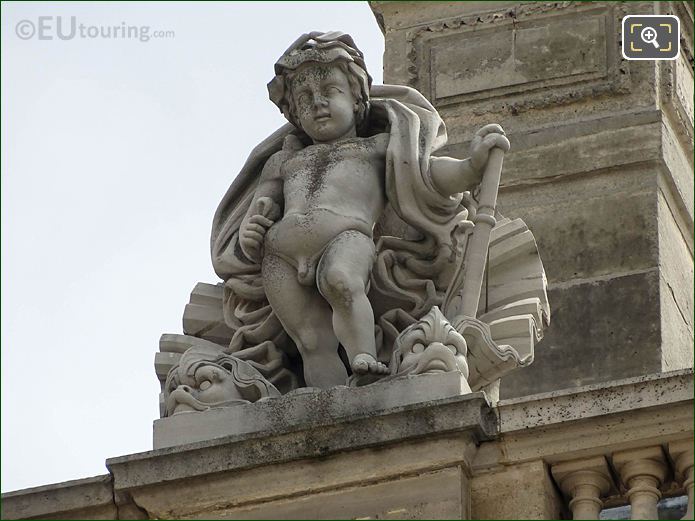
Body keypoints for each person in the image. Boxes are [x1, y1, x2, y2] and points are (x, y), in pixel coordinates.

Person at [229, 32, 509, 389]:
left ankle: (364, 357)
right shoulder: (284, 161)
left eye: (330, 92)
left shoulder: (376, 148)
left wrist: (471, 166)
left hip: (345, 238)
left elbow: (426, 175)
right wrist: (251, 230)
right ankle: (326, 397)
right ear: (295, 113)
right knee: (311, 340)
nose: (317, 104)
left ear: (358, 99)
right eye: (304, 99)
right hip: (279, 254)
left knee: (342, 282)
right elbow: (261, 208)